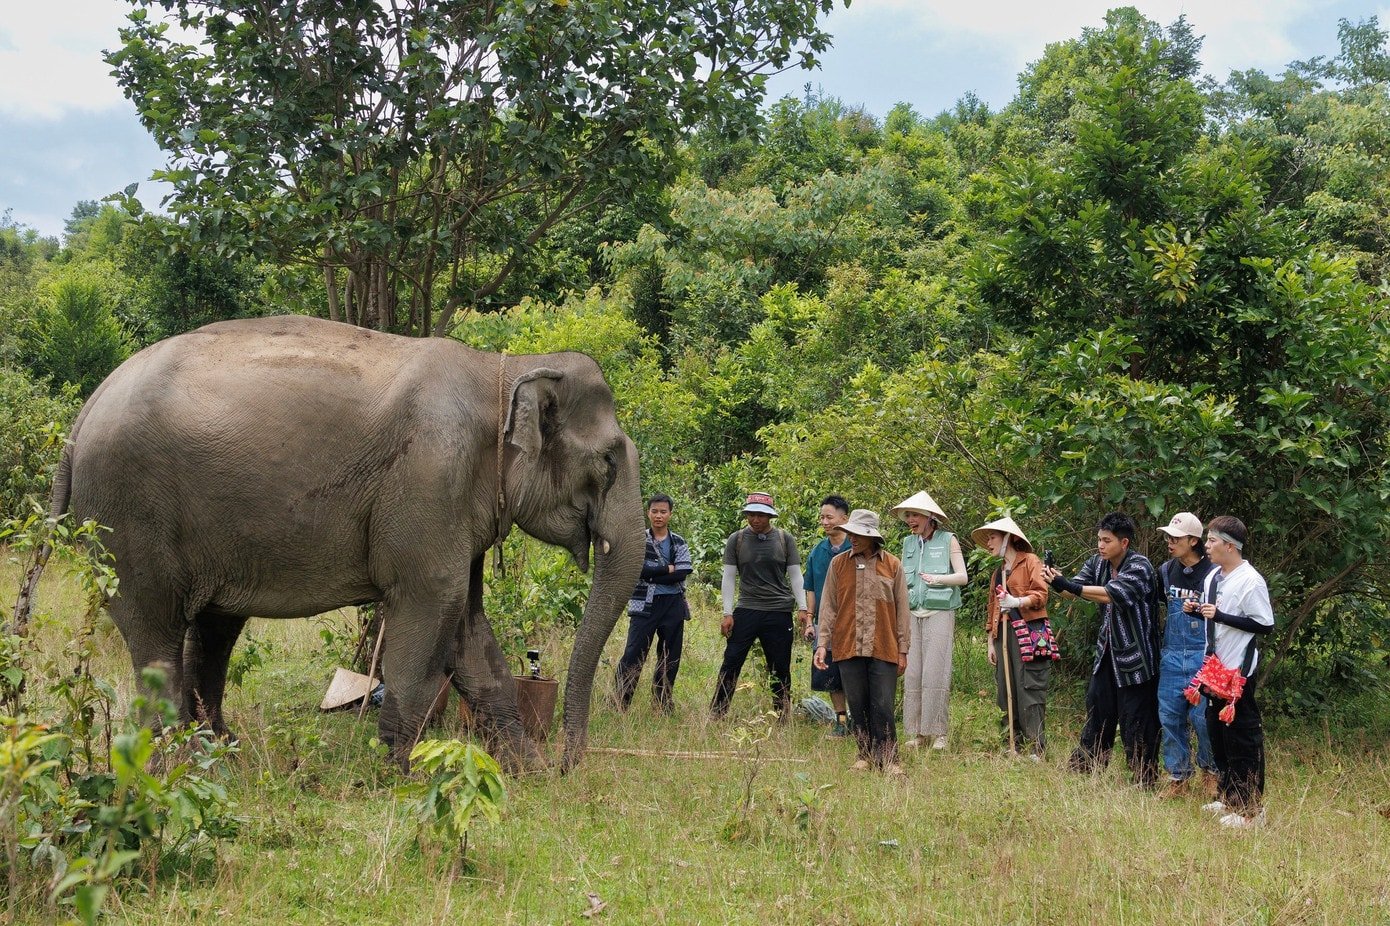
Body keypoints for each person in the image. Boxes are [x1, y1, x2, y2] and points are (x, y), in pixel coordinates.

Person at [1045, 512, 1162, 788]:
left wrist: (1067, 584)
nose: (1100, 545)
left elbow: (1110, 594)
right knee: (1098, 708)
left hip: (1137, 657)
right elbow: (1073, 591)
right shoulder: (1098, 563)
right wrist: (1053, 579)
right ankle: (1086, 767)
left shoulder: (1140, 566)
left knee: (1137, 718)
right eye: (1098, 539)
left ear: (1123, 542)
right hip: (1108, 652)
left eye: (1106, 540)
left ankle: (1144, 778)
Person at [814, 509, 911, 775]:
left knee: (882, 704)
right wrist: (822, 643)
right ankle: (865, 755)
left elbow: (903, 610)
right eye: (850, 533)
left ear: (872, 537)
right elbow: (829, 607)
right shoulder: (839, 564)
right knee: (857, 704)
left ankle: (890, 759)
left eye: (857, 534)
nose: (852, 538)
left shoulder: (892, 565)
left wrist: (903, 649)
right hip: (848, 644)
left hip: (884, 644)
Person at [1195, 515, 1274, 829]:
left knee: (1243, 735)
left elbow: (1265, 624)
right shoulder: (1212, 577)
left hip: (1239, 669)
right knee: (1218, 732)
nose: (1206, 546)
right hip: (1215, 667)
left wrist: (1223, 616)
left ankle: (1251, 810)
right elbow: (1212, 616)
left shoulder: (1250, 580)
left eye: (1212, 541)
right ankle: (1229, 796)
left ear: (1230, 546)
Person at [710, 492, 807, 720]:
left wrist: (803, 608)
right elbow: (729, 577)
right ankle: (717, 712)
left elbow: (795, 576)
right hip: (747, 608)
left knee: (780, 666)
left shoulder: (785, 539)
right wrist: (727, 612)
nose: (756, 519)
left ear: (770, 516)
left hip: (779, 610)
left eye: (761, 515)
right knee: (732, 660)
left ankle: (782, 714)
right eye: (751, 514)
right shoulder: (737, 539)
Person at [892, 491, 968, 750]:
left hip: (940, 612)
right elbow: (902, 580)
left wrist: (939, 579)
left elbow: (962, 577)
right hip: (913, 612)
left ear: (929, 517)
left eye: (914, 515)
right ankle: (918, 733)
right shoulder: (908, 543)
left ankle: (939, 733)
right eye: (908, 516)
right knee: (913, 674)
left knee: (935, 672)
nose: (910, 520)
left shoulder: (949, 540)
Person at [972, 516, 1054, 756]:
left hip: (1029, 632)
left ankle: (1035, 749)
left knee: (1029, 686)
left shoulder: (1030, 562)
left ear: (1009, 538)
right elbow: (991, 609)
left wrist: (1016, 601)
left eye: (993, 537)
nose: (988, 542)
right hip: (1003, 636)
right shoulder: (998, 573)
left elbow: (1041, 594)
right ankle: (1012, 743)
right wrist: (991, 642)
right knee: (1005, 690)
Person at [1154, 512, 1220, 800]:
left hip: (1202, 654)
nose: (1170, 542)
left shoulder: (1214, 573)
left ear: (1194, 540)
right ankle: (1178, 777)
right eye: (1168, 536)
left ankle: (1211, 772)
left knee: (1203, 718)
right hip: (1171, 654)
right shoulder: (1166, 571)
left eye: (1176, 538)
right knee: (1169, 717)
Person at [615, 493, 693, 713]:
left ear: (670, 514)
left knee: (670, 655)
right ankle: (621, 702)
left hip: (673, 604)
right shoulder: (638, 539)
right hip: (644, 603)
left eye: (663, 512)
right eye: (655, 511)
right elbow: (635, 569)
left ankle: (662, 703)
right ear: (648, 513)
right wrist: (666, 569)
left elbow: (683, 572)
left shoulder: (678, 541)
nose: (659, 516)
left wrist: (651, 574)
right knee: (633, 652)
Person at [802, 495, 853, 737]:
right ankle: (841, 720)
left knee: (854, 670)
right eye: (822, 517)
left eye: (829, 517)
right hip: (825, 622)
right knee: (830, 673)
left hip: (852, 621)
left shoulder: (856, 547)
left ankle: (861, 719)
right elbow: (810, 587)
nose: (824, 522)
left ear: (845, 519)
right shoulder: (818, 551)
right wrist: (810, 619)